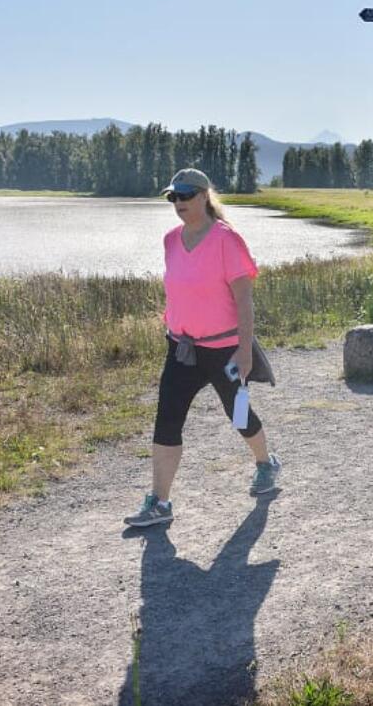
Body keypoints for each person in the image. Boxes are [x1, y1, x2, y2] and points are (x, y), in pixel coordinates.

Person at [125, 168, 280, 528]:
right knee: (167, 419)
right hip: (182, 349)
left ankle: (265, 464)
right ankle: (160, 503)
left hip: (223, 349)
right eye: (172, 197)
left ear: (203, 196)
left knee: (238, 415)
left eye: (184, 195)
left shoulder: (227, 240)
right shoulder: (170, 241)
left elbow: (244, 300)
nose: (177, 203)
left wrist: (244, 351)